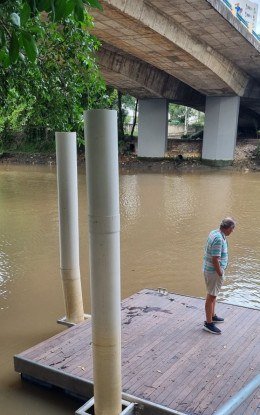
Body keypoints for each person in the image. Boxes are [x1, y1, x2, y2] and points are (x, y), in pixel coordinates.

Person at [203, 217, 236, 334]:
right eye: (232, 229)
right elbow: (215, 259)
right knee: (211, 296)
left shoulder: (215, 232)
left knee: (213, 294)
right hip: (214, 272)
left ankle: (212, 316)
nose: (233, 231)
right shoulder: (218, 239)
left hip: (212, 271)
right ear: (228, 228)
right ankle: (208, 323)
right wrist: (220, 273)